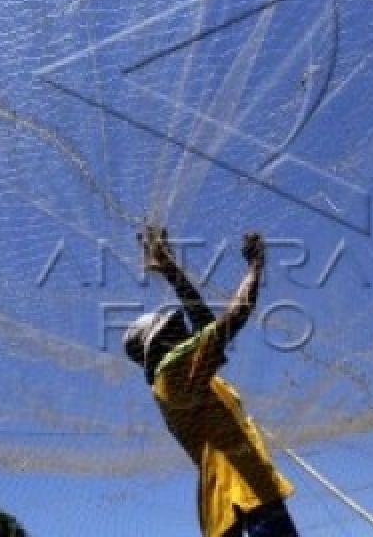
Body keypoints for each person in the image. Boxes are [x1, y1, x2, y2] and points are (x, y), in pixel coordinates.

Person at [124, 224, 299, 537]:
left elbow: (205, 323)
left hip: (232, 503)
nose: (184, 330)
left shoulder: (189, 376)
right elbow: (231, 320)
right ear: (160, 346)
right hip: (244, 493)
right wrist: (256, 267)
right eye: (172, 330)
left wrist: (170, 269)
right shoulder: (171, 375)